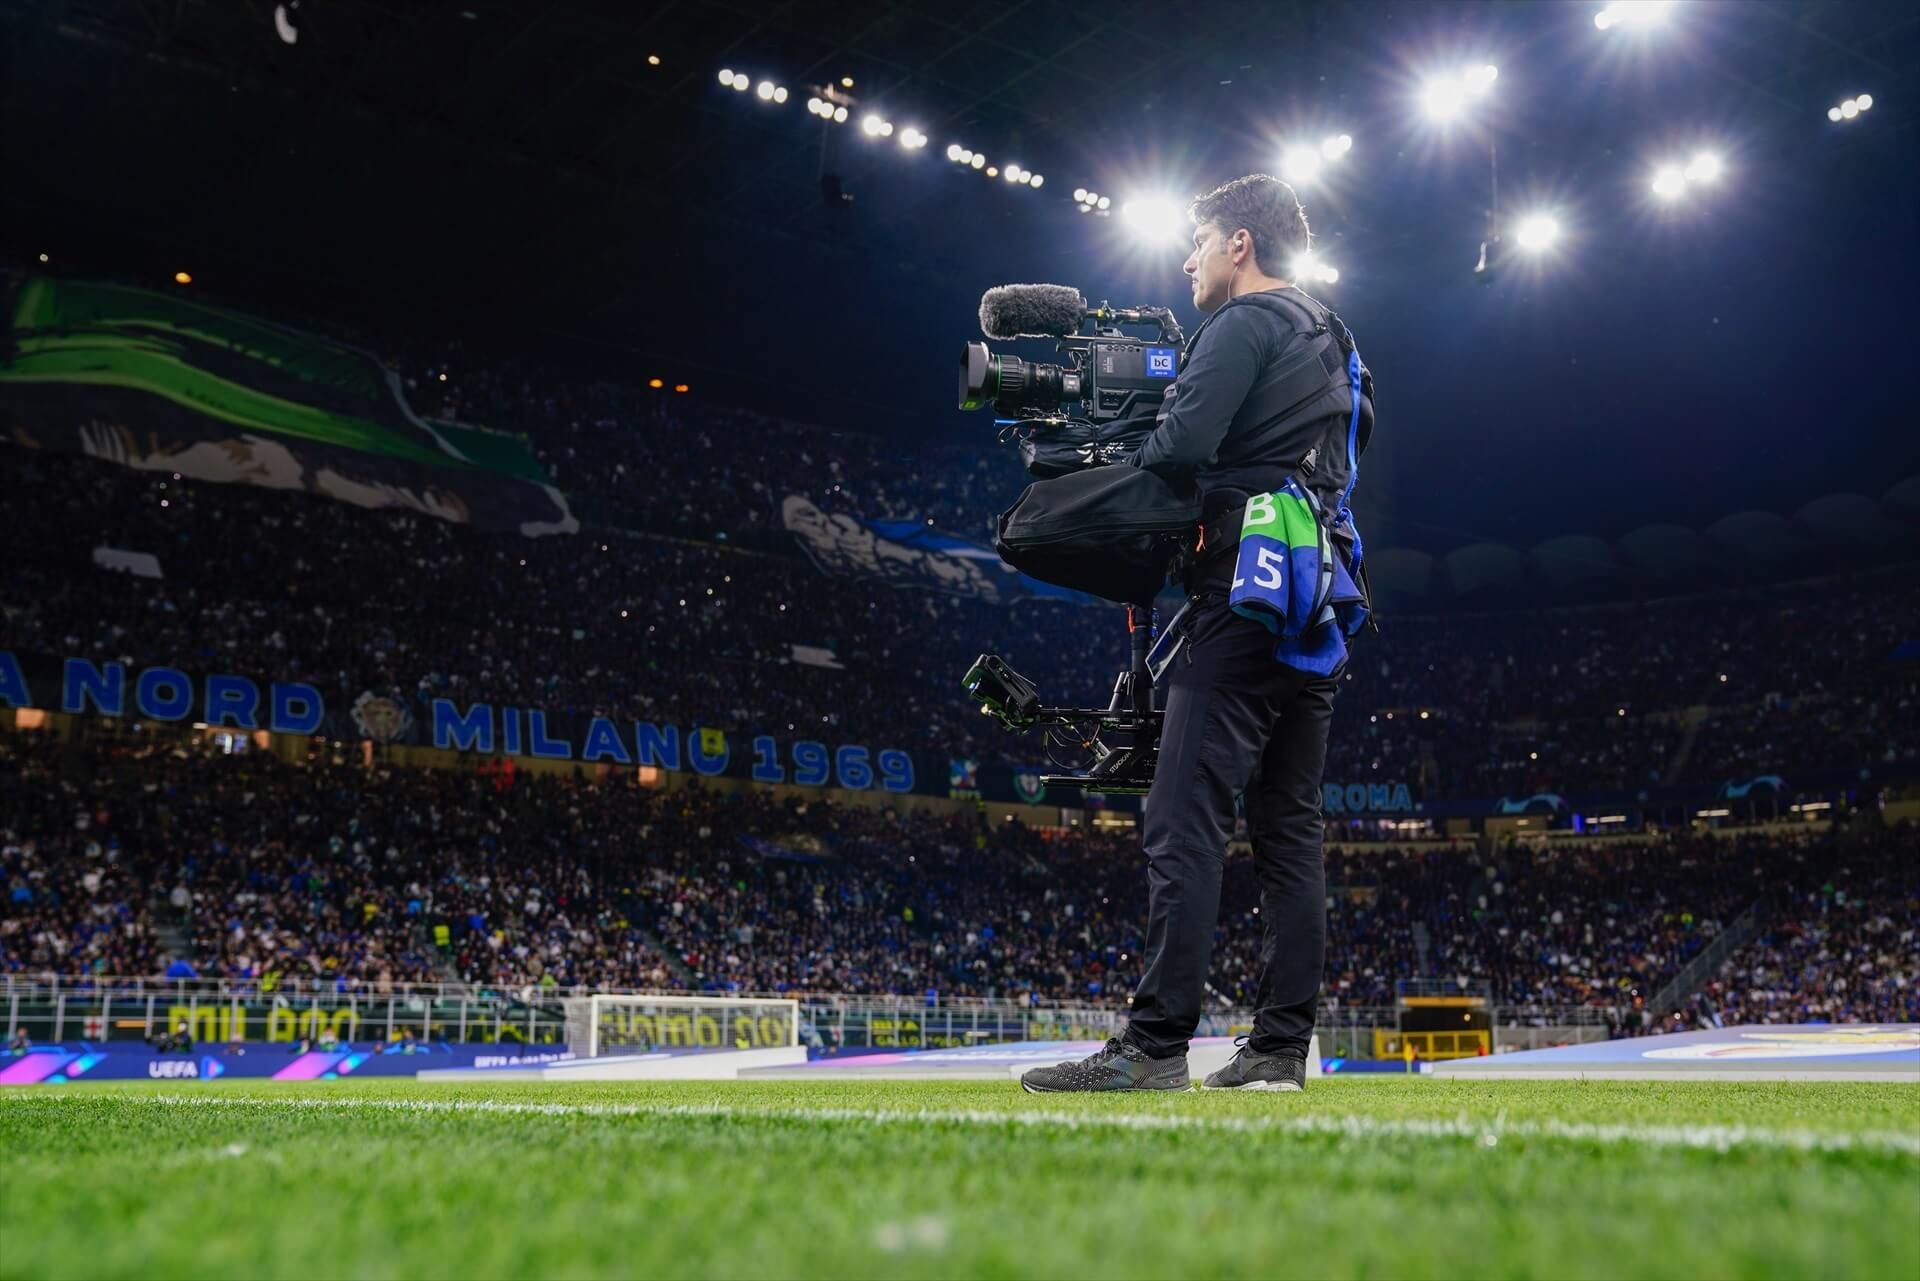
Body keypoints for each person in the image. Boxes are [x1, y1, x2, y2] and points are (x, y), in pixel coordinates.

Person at [1023, 174, 1374, 1093]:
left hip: (1243, 593)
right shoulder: (1334, 336)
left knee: (1181, 814)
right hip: (1319, 597)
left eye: (1199, 241)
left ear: (1239, 246)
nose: (1187, 260)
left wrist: (1096, 458)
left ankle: (1153, 1046)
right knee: (1290, 828)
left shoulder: (1242, 324)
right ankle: (1276, 1048)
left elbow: (1179, 450)